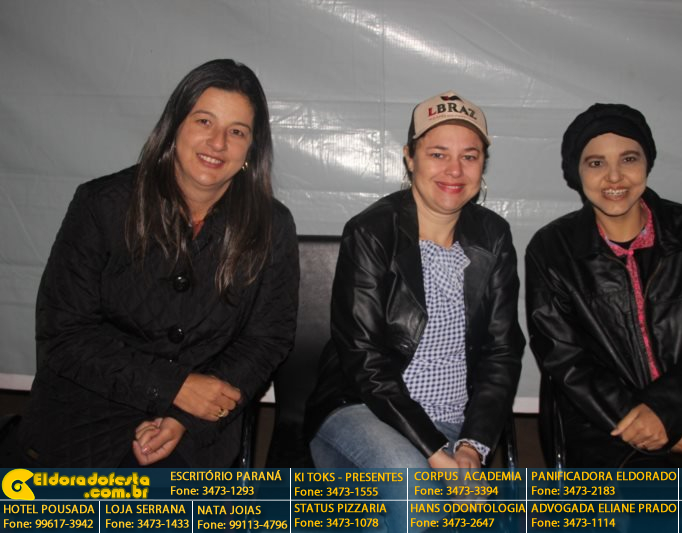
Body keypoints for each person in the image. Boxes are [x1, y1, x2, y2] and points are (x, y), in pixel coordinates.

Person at [17, 59, 299, 467]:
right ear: (174, 127)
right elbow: (64, 333)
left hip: (196, 430)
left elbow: (266, 339)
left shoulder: (272, 225)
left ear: (250, 150)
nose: (217, 142)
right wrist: (174, 386)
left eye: (237, 131)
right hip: (85, 417)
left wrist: (187, 415)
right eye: (204, 121)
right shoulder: (102, 205)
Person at [305, 90, 524, 529]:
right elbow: (364, 361)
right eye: (438, 154)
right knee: (418, 496)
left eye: (469, 156)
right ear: (409, 157)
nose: (454, 170)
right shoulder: (371, 232)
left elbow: (502, 352)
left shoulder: (494, 236)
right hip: (365, 411)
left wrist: (472, 447)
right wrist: (437, 455)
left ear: (483, 164)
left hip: (457, 421)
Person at [526, 103, 682, 467]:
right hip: (607, 427)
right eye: (596, 163)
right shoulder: (553, 250)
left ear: (647, 163)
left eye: (629, 159)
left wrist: (668, 413)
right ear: (576, 172)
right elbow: (566, 360)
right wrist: (652, 427)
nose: (614, 177)